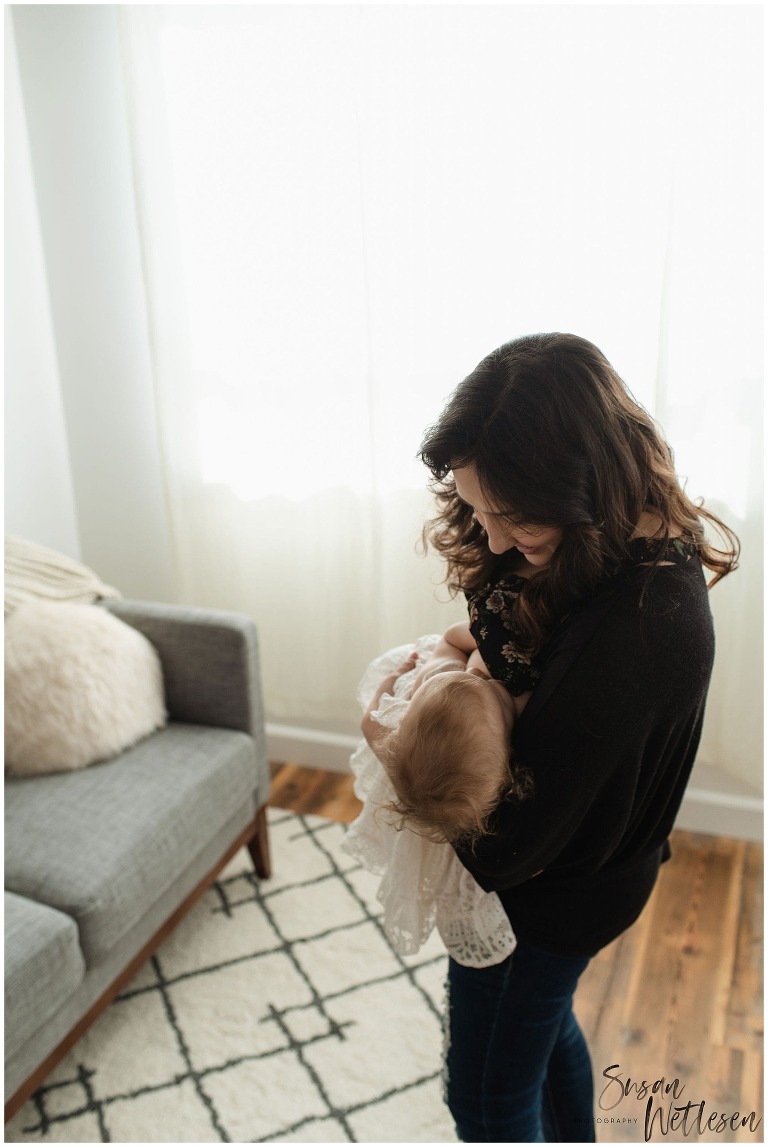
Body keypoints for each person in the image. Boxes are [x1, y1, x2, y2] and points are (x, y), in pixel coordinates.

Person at [363, 332, 739, 1143]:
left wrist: (397, 753)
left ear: (580, 481)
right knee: (543, 1034)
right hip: (587, 875)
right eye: (476, 509)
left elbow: (501, 849)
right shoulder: (600, 544)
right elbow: (503, 645)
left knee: (489, 1102)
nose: (492, 540)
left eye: (510, 515)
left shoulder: (645, 630)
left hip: (549, 901)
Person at [343, 622, 532, 967]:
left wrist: (489, 639)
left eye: (491, 685)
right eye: (499, 699)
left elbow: (453, 640)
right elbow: (451, 641)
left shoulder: (449, 682)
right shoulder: (450, 685)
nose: (490, 678)